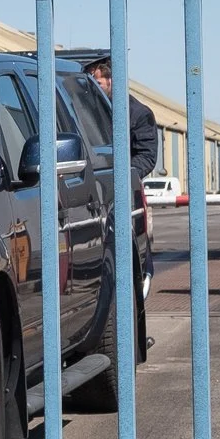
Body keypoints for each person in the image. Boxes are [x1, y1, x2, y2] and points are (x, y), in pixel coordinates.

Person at [81, 55, 157, 360]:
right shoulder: (83, 108)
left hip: (123, 198)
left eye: (97, 81)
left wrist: (122, 176)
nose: (93, 86)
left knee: (135, 264)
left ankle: (132, 335)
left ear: (110, 79)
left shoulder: (137, 114)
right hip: (93, 199)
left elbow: (147, 156)